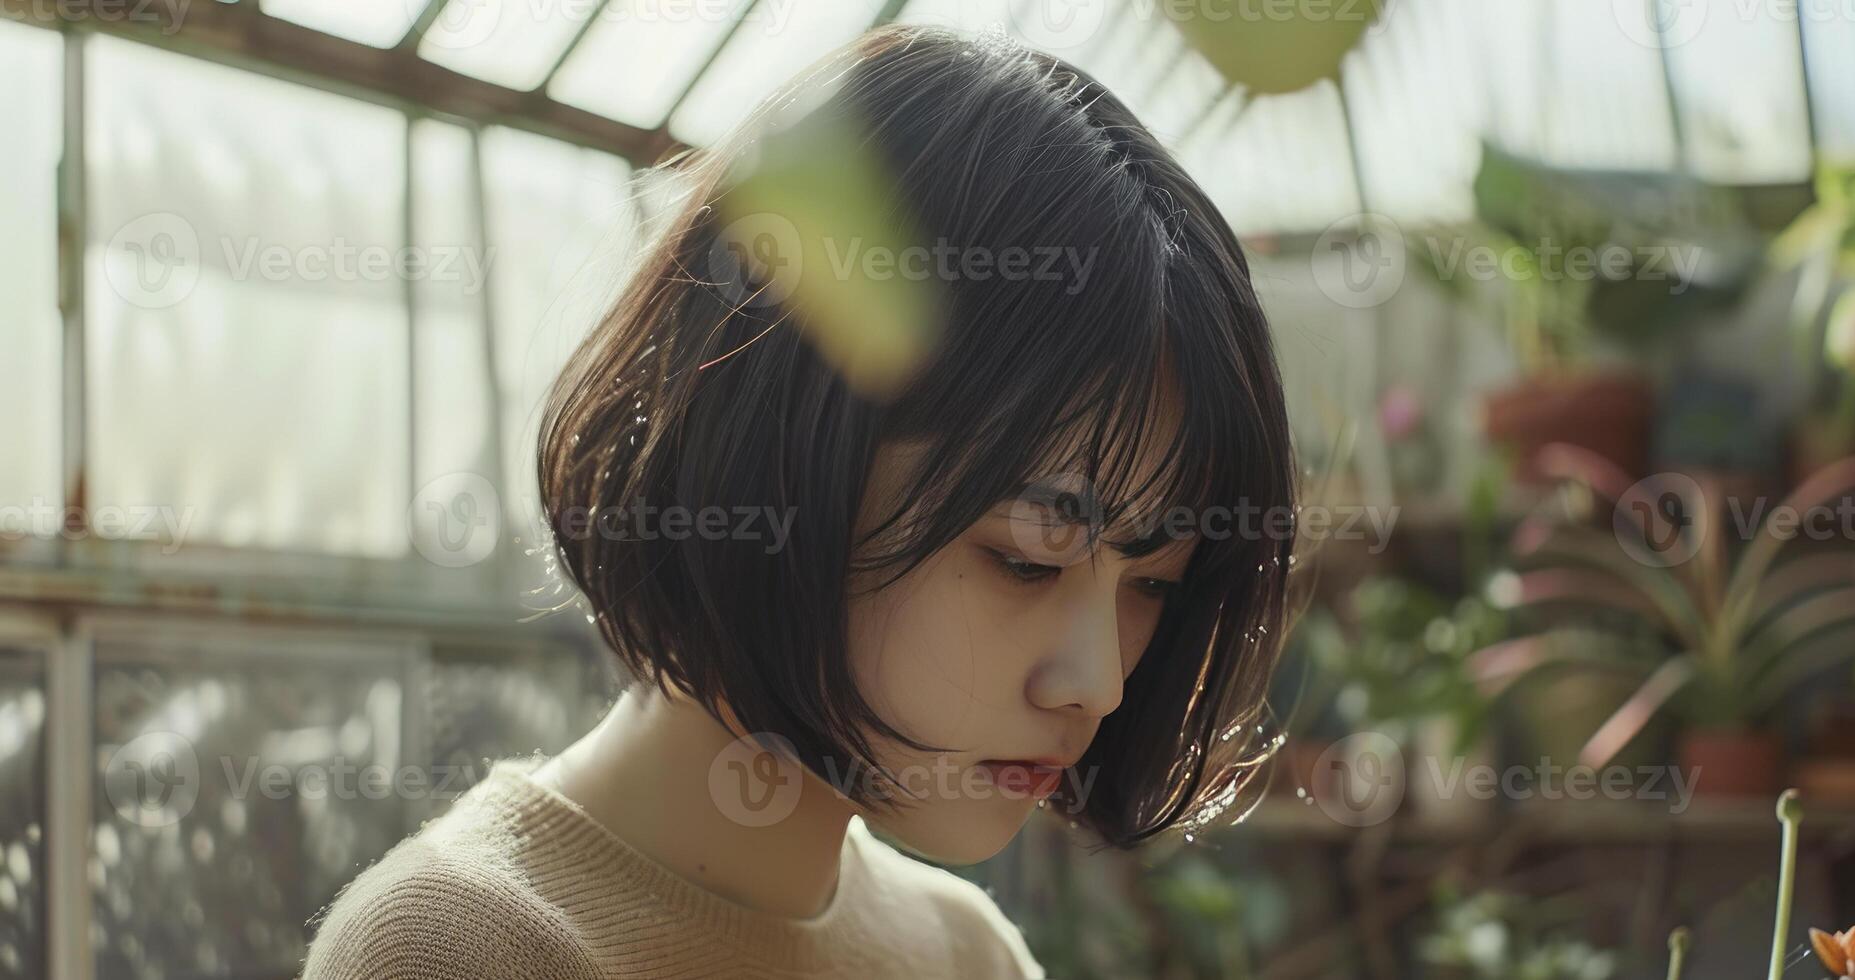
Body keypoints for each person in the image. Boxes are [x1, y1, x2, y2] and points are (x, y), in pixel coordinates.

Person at [302, 21, 1299, 980]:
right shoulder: (461, 951)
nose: (1099, 681)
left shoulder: (969, 955)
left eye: (1154, 583)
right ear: (777, 453)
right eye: (1026, 558)